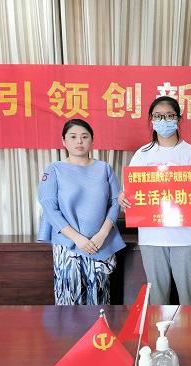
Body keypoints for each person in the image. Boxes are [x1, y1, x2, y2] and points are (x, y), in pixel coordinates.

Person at [118, 96, 191, 305]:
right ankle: (159, 329)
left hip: (187, 238)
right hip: (152, 238)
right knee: (157, 300)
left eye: (170, 116)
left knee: (189, 299)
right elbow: (130, 195)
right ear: (151, 119)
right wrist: (123, 199)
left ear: (179, 118)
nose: (164, 121)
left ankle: (190, 329)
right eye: (158, 116)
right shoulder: (142, 155)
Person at [38, 119, 126, 305]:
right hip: (68, 246)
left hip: (99, 244)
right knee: (68, 302)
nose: (79, 141)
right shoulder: (54, 169)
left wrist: (102, 235)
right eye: (73, 137)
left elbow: (115, 202)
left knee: (100, 301)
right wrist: (77, 238)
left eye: (84, 137)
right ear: (64, 141)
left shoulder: (104, 168)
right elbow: (49, 207)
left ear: (92, 140)